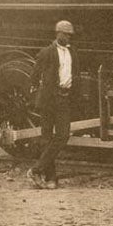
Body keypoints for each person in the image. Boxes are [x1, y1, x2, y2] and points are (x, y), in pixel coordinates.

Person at [28, 20, 77, 190]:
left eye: (70, 35)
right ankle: (51, 178)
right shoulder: (46, 52)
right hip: (49, 99)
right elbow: (34, 75)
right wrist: (40, 92)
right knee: (46, 138)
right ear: (58, 34)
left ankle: (36, 169)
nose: (69, 37)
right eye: (66, 34)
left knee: (63, 135)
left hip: (64, 97)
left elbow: (73, 74)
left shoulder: (72, 53)